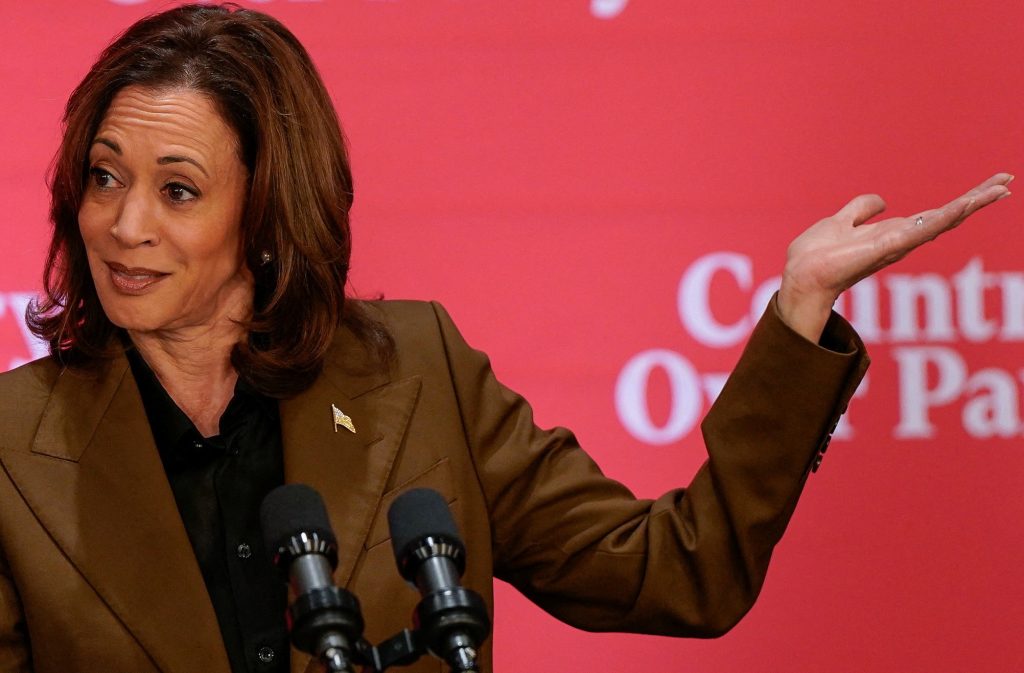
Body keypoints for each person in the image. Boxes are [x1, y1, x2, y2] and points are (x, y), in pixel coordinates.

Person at [0, 4, 1011, 673]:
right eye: (103, 176)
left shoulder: (414, 371)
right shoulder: (14, 444)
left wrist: (798, 309)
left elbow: (678, 571)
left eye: (177, 190)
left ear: (265, 214)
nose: (123, 224)